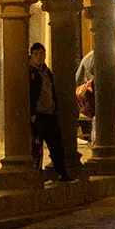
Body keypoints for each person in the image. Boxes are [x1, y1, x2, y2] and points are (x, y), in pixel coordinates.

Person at [28, 43, 76, 184]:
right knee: (37, 147)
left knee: (56, 145)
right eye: (36, 53)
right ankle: (36, 176)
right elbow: (28, 94)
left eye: (42, 53)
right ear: (31, 55)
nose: (40, 56)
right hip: (38, 114)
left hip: (50, 113)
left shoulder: (46, 71)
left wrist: (54, 108)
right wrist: (31, 112)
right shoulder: (29, 72)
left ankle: (62, 174)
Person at [75, 50, 96, 142]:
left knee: (95, 121)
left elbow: (78, 78)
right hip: (93, 92)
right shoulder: (112, 58)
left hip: (89, 93)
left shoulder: (87, 57)